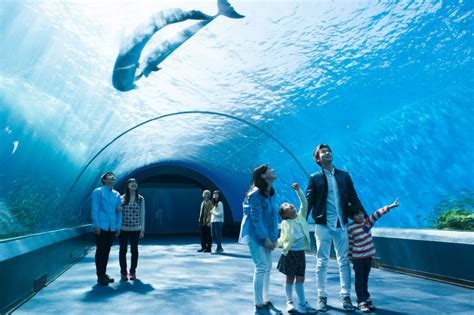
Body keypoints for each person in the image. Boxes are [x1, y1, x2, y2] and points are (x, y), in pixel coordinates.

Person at [306, 144, 367, 312]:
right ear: (317, 159)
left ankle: (345, 296)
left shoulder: (344, 176)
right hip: (323, 225)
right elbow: (308, 202)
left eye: (329, 151)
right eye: (323, 152)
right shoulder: (314, 178)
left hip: (341, 224)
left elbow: (354, 197)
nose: (327, 153)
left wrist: (365, 216)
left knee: (344, 261)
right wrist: (301, 222)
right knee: (322, 262)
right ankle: (321, 296)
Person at [239, 164, 282, 315]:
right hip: (255, 235)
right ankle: (258, 303)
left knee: (268, 267)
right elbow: (256, 218)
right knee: (261, 266)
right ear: (263, 175)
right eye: (270, 168)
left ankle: (265, 298)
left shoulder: (270, 192)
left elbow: (272, 218)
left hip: (267, 235)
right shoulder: (255, 193)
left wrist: (274, 238)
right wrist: (264, 238)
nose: (273, 169)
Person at [348, 197, 400, 312]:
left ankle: (366, 298)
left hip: (368, 258)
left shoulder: (367, 224)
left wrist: (389, 207)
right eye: (356, 215)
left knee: (365, 279)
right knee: (359, 280)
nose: (360, 216)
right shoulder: (350, 229)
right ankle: (360, 301)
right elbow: (350, 244)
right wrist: (350, 257)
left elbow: (377, 214)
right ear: (352, 217)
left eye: (361, 213)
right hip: (358, 259)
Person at [277, 183, 317, 314]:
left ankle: (302, 303)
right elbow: (283, 239)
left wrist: (298, 190)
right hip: (289, 254)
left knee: (301, 279)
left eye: (289, 204)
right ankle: (289, 302)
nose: (289, 205)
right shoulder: (285, 223)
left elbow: (304, 203)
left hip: (300, 254)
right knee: (290, 278)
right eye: (286, 206)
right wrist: (274, 244)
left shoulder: (301, 217)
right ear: (285, 214)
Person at [91, 172, 122, 286]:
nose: (113, 177)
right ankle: (100, 276)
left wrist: (118, 226)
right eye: (109, 175)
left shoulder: (117, 194)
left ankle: (103, 274)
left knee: (107, 252)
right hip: (101, 226)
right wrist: (96, 225)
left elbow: (119, 212)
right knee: (100, 251)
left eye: (114, 176)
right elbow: (95, 209)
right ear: (104, 180)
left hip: (112, 227)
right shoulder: (98, 192)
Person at [119, 178, 146, 281]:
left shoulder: (140, 199)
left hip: (136, 228)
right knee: (123, 251)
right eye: (131, 182)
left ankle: (133, 271)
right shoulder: (121, 198)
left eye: (135, 182)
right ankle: (123, 272)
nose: (134, 184)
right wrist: (117, 228)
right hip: (123, 228)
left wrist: (142, 230)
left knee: (134, 251)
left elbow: (142, 214)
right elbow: (118, 214)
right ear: (127, 185)